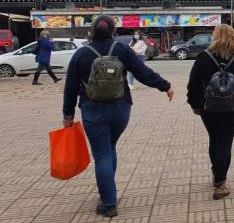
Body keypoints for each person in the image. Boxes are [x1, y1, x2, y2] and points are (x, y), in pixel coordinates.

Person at [62, 16, 173, 218]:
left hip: (93, 110)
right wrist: (164, 86)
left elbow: (70, 87)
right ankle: (108, 189)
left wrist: (67, 115)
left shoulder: (81, 54)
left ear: (92, 31)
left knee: (102, 155)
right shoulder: (121, 49)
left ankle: (108, 202)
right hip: (121, 109)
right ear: (113, 31)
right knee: (109, 148)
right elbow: (142, 72)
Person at [187, 24, 234, 200]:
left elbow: (193, 84)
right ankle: (220, 183)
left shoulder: (204, 57)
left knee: (214, 138)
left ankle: (216, 173)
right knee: (225, 141)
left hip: (208, 107)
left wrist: (195, 104)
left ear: (215, 36)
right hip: (233, 107)